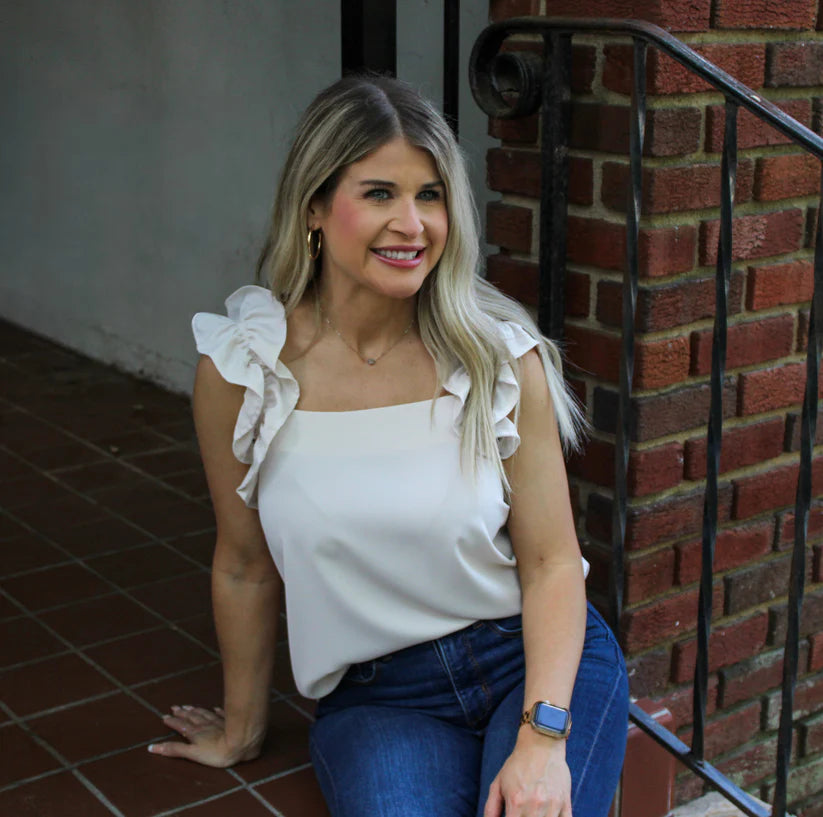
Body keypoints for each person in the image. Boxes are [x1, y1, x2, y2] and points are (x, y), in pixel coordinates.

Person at [149, 75, 628, 817]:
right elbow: (244, 565)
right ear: (313, 205)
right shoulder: (244, 369)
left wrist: (542, 738)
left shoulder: (496, 358)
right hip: (382, 700)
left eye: (430, 195)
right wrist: (240, 727)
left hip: (526, 663)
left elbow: (552, 562)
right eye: (378, 193)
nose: (412, 224)